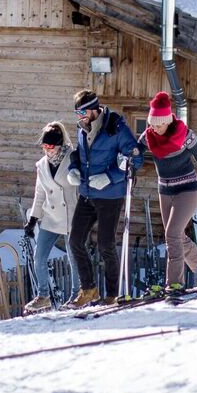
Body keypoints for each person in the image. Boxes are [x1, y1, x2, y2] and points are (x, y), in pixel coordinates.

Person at [138, 91, 197, 295]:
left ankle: (174, 283)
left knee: (172, 234)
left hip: (188, 189)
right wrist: (127, 158)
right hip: (165, 190)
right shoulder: (149, 136)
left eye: (159, 124)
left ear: (167, 120)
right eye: (152, 124)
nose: (155, 128)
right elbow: (135, 149)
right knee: (175, 236)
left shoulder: (185, 136)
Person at [65, 90, 143, 307]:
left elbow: (135, 160)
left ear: (93, 108)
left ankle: (111, 294)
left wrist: (109, 177)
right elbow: (78, 156)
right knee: (75, 241)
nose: (79, 116)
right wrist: (74, 169)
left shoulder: (116, 127)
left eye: (82, 111)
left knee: (105, 245)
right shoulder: (81, 128)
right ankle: (88, 289)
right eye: (76, 112)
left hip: (110, 195)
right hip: (87, 193)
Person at [22, 121, 81, 313]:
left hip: (72, 215)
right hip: (50, 216)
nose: (48, 150)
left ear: (59, 144)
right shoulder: (41, 165)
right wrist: (32, 219)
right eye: (44, 146)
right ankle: (43, 295)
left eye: (51, 146)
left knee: (74, 258)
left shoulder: (73, 157)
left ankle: (76, 295)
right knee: (39, 258)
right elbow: (40, 193)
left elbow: (81, 186)